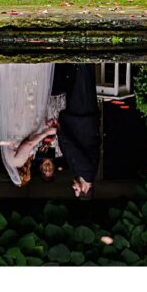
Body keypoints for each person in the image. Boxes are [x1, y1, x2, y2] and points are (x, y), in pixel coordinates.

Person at [0, 63, 57, 187]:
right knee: (19, 91)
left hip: (23, 124)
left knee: (28, 92)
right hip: (17, 124)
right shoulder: (10, 161)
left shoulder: (18, 162)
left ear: (23, 175)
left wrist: (46, 133)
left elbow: (29, 143)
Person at [55, 64, 101, 200]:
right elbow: (73, 150)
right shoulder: (87, 171)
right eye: (76, 190)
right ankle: (85, 59)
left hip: (78, 119)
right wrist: (60, 132)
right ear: (85, 190)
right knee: (83, 83)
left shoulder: (79, 172)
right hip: (83, 118)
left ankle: (81, 61)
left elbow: (68, 151)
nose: (73, 187)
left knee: (79, 83)